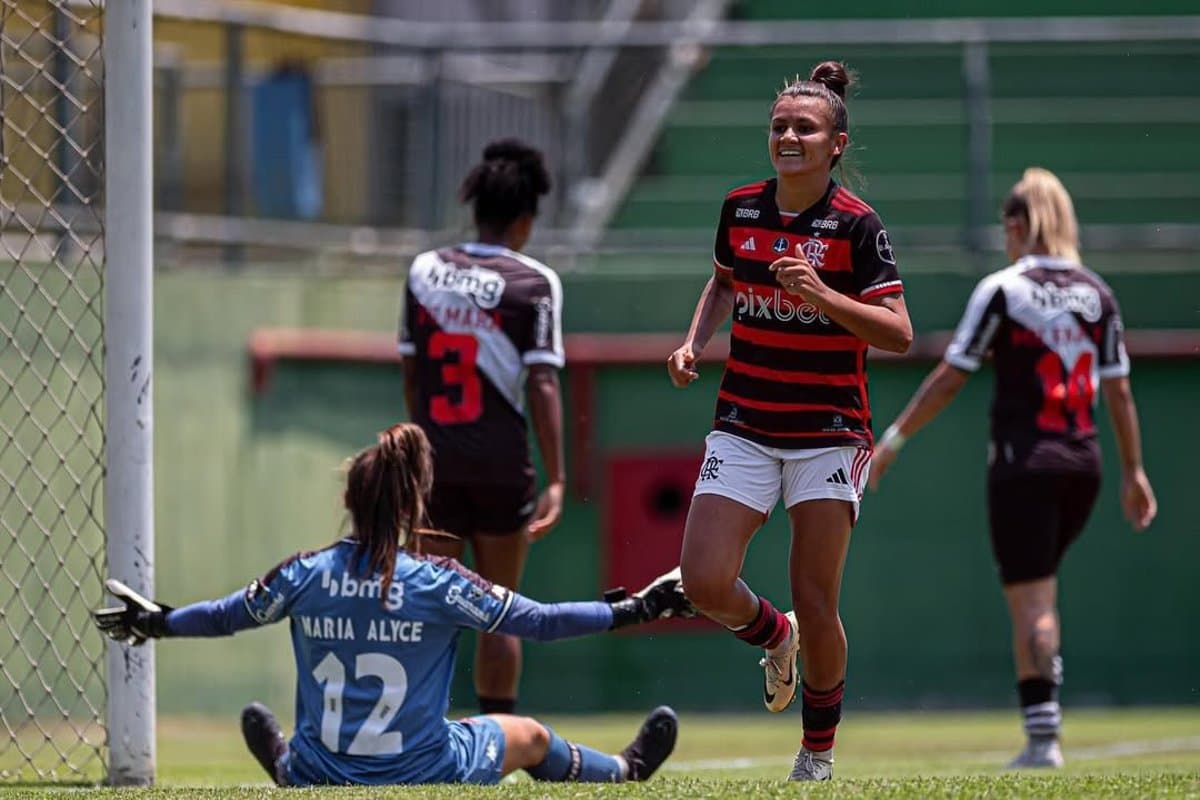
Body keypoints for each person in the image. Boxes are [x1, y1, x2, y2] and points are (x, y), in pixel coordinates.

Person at [93, 423, 692, 787]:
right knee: (530, 736)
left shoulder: (304, 574)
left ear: (349, 503)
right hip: (426, 769)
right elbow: (538, 622)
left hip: (322, 772)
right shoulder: (438, 582)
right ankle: (623, 771)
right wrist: (635, 609)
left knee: (305, 751)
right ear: (412, 505)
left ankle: (287, 766)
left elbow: (226, 616)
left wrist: (157, 621)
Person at [667, 61, 912, 782]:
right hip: (744, 421)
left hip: (829, 433)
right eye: (779, 126)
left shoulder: (857, 225)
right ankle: (777, 638)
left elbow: (899, 333)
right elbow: (723, 282)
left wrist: (823, 295)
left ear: (836, 144)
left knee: (817, 597)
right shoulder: (741, 209)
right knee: (704, 580)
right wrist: (694, 342)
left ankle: (816, 756)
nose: (788, 137)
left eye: (804, 127)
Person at [870, 167, 1157, 769]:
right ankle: (1044, 727)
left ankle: (1043, 739)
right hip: (1084, 464)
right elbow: (1120, 392)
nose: (1005, 238)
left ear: (1025, 224)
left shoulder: (1004, 289)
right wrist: (1134, 471)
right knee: (1042, 593)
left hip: (1024, 462)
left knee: (1032, 603)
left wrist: (893, 439)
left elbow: (951, 375)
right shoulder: (1097, 293)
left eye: (1008, 226)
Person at [397, 138, 565, 716]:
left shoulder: (425, 270)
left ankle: (415, 733)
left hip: (434, 464)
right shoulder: (534, 282)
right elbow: (542, 383)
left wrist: (420, 450)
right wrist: (558, 478)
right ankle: (502, 738)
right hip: (500, 465)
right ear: (524, 221)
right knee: (501, 611)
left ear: (474, 209)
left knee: (426, 608)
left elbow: (412, 373)